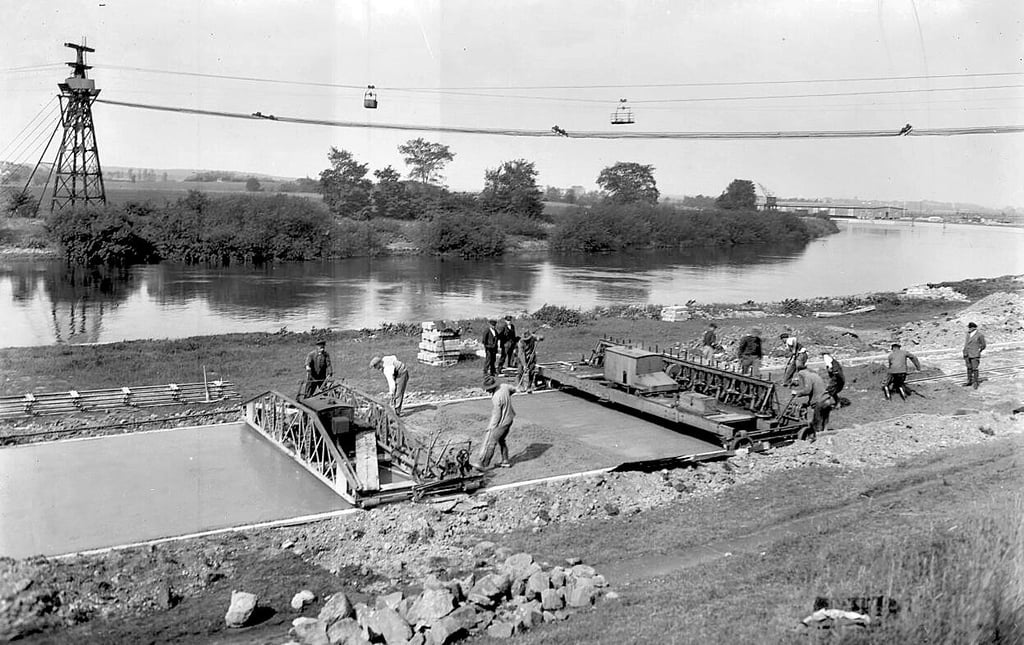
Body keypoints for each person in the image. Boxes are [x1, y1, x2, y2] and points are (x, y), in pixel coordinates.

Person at [470, 375, 518, 471]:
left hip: (502, 422)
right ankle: (505, 461)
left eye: (487, 389)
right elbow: (514, 389)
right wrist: (508, 395)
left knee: (491, 442)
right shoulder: (504, 386)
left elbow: (497, 415)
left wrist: (491, 427)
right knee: (501, 440)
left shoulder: (496, 397)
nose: (486, 391)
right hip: (510, 418)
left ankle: (483, 464)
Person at [790, 365, 831, 436]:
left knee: (817, 422)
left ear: (801, 373)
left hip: (819, 401)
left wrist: (796, 393)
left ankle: (818, 437)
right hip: (827, 399)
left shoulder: (807, 377)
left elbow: (807, 390)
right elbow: (816, 391)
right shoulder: (815, 375)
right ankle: (825, 433)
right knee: (825, 419)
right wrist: (808, 403)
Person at [962, 321, 986, 389]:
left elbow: (983, 345)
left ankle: (975, 382)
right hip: (967, 353)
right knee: (969, 368)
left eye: (970, 328)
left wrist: (978, 351)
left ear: (974, 328)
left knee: (975, 369)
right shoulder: (968, 334)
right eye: (969, 327)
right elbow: (966, 343)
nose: (969, 329)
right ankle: (969, 381)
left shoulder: (979, 335)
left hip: (974, 354)